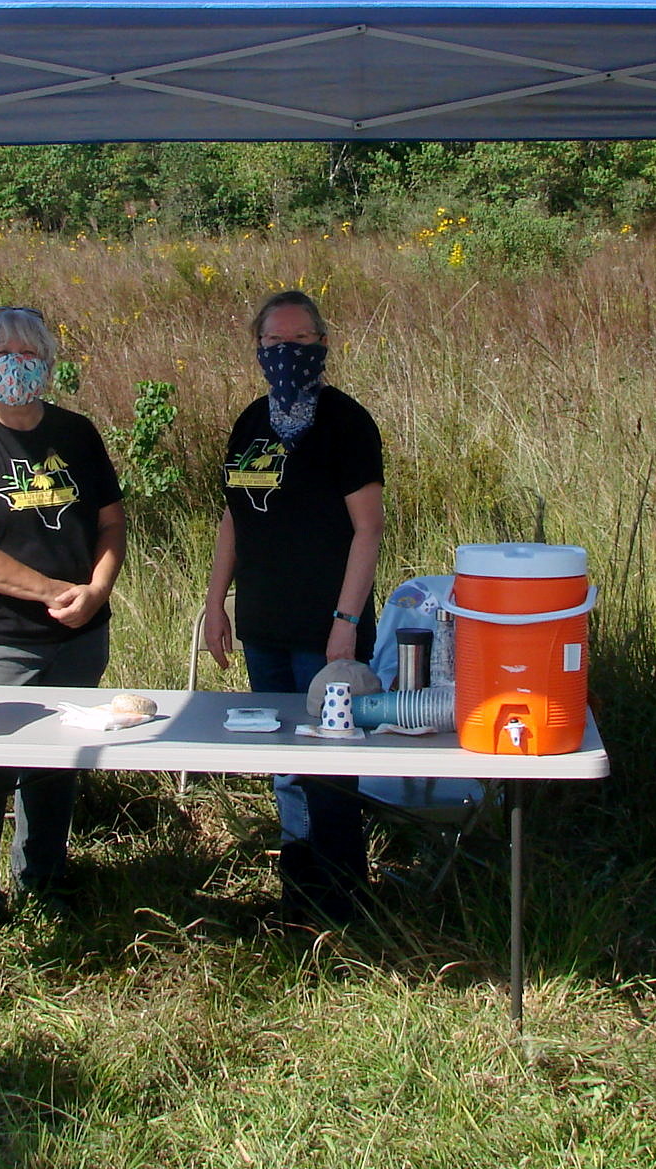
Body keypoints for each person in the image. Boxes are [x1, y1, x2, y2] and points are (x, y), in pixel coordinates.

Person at [0, 306, 125, 928]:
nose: (15, 365)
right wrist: (48, 591)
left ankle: (45, 877)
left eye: (27, 353)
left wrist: (94, 590)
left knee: (57, 765)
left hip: (78, 637)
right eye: (2, 353)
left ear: (48, 363)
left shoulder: (77, 433)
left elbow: (112, 522)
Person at [203, 290, 383, 923]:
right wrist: (215, 601)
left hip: (326, 631)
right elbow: (234, 517)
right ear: (257, 349)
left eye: (301, 343)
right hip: (262, 626)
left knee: (331, 766)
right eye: (276, 344)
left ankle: (343, 903)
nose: (288, 355)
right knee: (285, 764)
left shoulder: (347, 423)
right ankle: (298, 896)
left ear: (323, 347)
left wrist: (346, 622)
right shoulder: (250, 423)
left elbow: (369, 529)